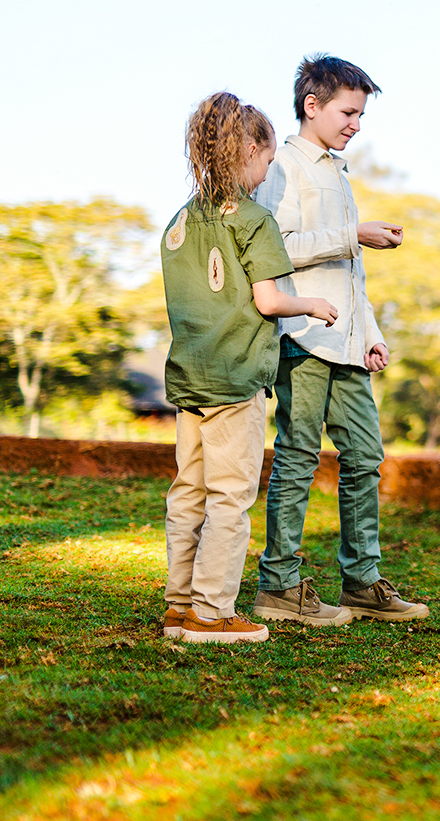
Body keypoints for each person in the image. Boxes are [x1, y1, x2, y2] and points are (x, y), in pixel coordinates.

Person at [251, 54, 429, 625]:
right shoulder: (282, 165)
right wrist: (352, 233)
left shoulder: (338, 170)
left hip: (348, 344)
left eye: (360, 113)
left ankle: (362, 581)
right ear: (313, 105)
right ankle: (279, 584)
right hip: (301, 334)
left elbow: (351, 276)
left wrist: (370, 334)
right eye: (348, 112)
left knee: (364, 458)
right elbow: (274, 248)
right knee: (298, 458)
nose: (357, 123)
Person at [160, 92, 338, 644]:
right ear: (250, 149)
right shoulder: (254, 219)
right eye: (266, 162)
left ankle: (179, 608)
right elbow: (267, 301)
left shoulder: (179, 222)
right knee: (231, 498)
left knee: (189, 489)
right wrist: (310, 304)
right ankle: (212, 614)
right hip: (236, 378)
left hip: (190, 377)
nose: (267, 174)